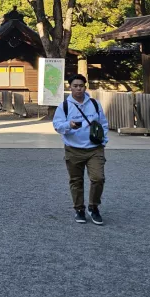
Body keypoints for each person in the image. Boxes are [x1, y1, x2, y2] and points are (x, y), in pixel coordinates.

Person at [52, 74, 109, 225]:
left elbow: (103, 123)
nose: (78, 89)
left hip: (95, 148)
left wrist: (104, 141)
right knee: (76, 180)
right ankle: (79, 209)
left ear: (85, 86)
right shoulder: (64, 106)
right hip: (73, 149)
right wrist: (68, 125)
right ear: (69, 87)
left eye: (81, 86)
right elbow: (57, 126)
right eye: (75, 86)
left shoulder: (94, 104)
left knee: (98, 178)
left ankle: (93, 207)